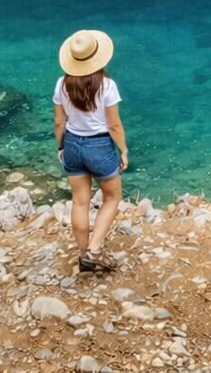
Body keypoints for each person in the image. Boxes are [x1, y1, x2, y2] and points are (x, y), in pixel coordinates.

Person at [53, 28, 128, 272]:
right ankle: (95, 249)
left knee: (79, 202)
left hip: (73, 143)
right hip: (99, 145)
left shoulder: (61, 84)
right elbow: (114, 124)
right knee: (112, 197)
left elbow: (58, 123)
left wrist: (61, 147)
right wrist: (124, 150)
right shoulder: (107, 85)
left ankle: (83, 253)